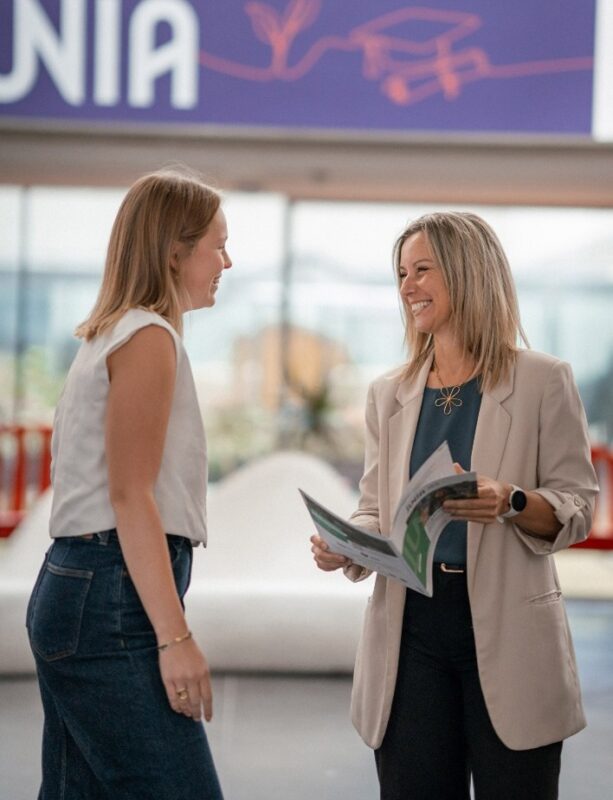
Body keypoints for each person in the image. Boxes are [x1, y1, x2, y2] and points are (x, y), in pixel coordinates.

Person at [310, 211, 599, 800]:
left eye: (422, 270)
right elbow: (374, 507)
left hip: (511, 626)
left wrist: (510, 500)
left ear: (467, 273)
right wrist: (349, 544)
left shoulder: (543, 380)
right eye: (401, 274)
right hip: (410, 628)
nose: (407, 287)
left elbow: (578, 507)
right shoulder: (388, 394)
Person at [26, 169, 232, 799]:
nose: (226, 262)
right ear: (174, 252)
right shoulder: (146, 338)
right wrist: (177, 639)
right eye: (217, 246)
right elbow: (130, 496)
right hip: (109, 601)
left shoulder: (113, 333)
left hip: (81, 588)